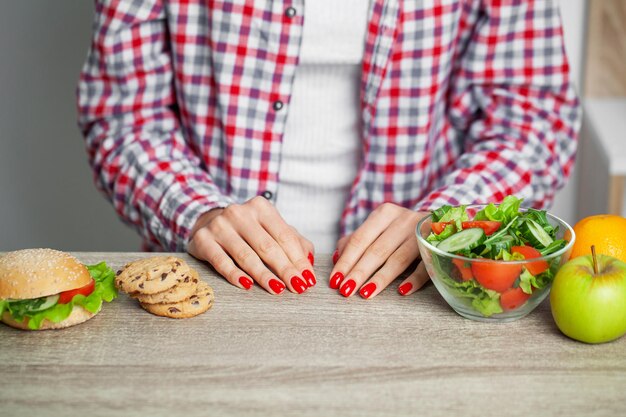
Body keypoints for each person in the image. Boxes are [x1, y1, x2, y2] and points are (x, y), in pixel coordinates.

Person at [77, 0, 580, 299]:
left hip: (420, 291)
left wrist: (445, 225)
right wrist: (196, 210)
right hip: (214, 283)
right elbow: (122, 117)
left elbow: (534, 118)